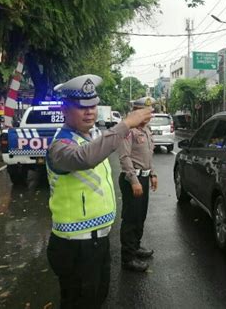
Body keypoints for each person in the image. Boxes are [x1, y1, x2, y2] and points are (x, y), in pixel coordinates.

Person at [46, 74, 151, 308]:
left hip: (98, 241)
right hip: (75, 247)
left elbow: (103, 147)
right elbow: (86, 158)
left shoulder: (92, 136)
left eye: (93, 106)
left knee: (97, 297)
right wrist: (125, 124)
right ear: (64, 110)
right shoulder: (60, 146)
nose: (90, 112)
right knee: (80, 302)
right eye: (82, 107)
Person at [117, 97, 158, 272]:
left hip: (144, 178)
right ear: (137, 112)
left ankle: (136, 246)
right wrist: (134, 181)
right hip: (131, 180)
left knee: (140, 216)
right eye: (147, 111)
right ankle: (128, 257)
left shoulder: (147, 130)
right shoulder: (129, 131)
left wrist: (153, 174)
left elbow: (149, 155)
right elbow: (124, 157)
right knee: (131, 218)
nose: (151, 115)